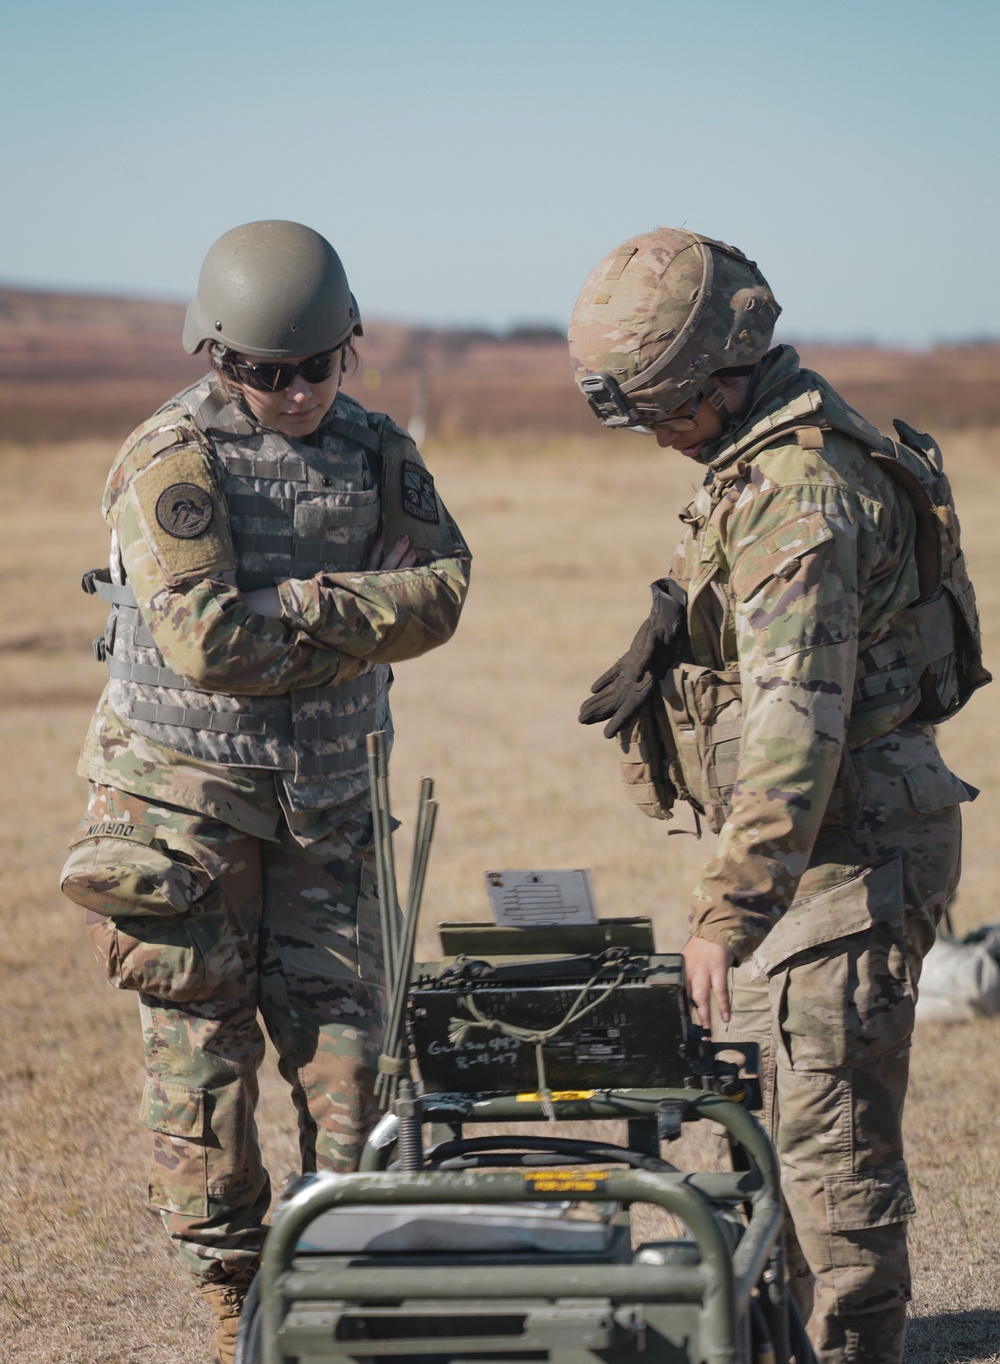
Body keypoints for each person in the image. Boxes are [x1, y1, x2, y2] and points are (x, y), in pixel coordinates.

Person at [572, 228, 989, 1364]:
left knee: (829, 1152)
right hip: (815, 853)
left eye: (659, 410)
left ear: (720, 378)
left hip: (841, 855)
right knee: (762, 1131)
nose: (654, 435)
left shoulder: (795, 495)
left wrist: (726, 910)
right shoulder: (765, 460)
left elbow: (793, 728)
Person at [62, 220, 471, 1362]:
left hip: (330, 804)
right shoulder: (169, 461)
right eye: (259, 371)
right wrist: (350, 605)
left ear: (350, 349)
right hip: (184, 814)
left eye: (313, 368)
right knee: (204, 1065)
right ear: (214, 358)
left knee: (357, 1062)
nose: (290, 393)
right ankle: (234, 1305)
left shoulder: (379, 452)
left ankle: (347, 1283)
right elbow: (206, 645)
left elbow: (444, 590)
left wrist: (283, 604)